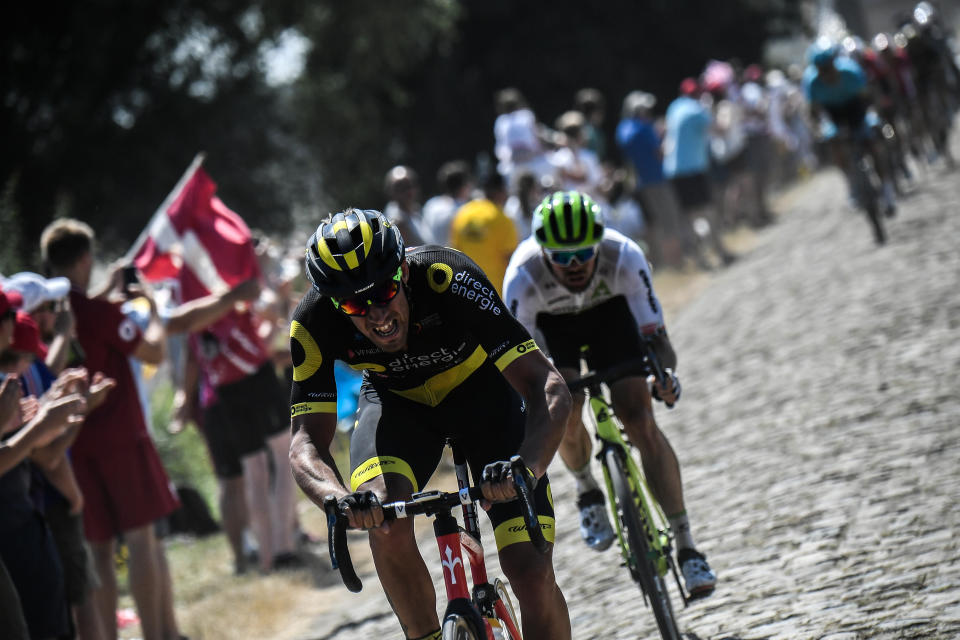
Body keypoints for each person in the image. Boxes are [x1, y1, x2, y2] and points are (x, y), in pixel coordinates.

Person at [289, 208, 572, 640]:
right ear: (332, 303)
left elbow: (547, 386)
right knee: (382, 513)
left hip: (484, 396)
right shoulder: (312, 322)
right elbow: (305, 441)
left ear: (403, 270)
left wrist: (526, 468)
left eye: (384, 291)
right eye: (353, 304)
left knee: (531, 573)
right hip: (397, 405)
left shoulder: (449, 276)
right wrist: (337, 498)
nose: (376, 314)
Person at [502, 191, 717, 599]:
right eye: (562, 257)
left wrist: (664, 375)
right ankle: (587, 489)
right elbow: (519, 365)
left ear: (600, 241)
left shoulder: (625, 257)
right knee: (561, 408)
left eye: (584, 253)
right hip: (554, 330)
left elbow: (659, 341)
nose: (575, 265)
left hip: (611, 320)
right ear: (542, 252)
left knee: (639, 419)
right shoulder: (522, 276)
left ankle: (688, 547)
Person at [40, 218, 183, 640]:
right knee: (141, 540)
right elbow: (153, 347)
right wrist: (154, 309)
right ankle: (158, 635)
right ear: (86, 258)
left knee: (99, 551)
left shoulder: (49, 314)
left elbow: (81, 312)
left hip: (74, 446)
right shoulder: (101, 312)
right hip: (122, 437)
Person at [803, 38, 898, 236]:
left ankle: (887, 189)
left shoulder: (850, 72)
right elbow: (813, 114)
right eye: (820, 69)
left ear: (834, 62)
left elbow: (869, 99)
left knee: (873, 140)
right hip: (834, 115)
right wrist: (818, 130)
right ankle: (851, 182)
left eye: (828, 67)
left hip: (857, 109)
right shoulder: (811, 82)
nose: (825, 72)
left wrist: (875, 116)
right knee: (833, 142)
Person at [664, 78, 736, 266]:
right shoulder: (696, 111)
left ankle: (699, 259)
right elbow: (722, 130)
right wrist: (723, 111)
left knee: (689, 216)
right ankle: (720, 251)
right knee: (707, 211)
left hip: (674, 171)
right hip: (692, 170)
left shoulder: (675, 107)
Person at [449, 171, 518, 295]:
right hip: (496, 296)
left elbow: (454, 252)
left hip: (467, 292)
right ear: (500, 191)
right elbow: (512, 261)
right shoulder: (502, 218)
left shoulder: (463, 213)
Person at [420, 160, 474, 247]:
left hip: (428, 256)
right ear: (464, 186)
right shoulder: (465, 210)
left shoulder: (431, 205)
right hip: (451, 258)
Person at [384, 165, 428, 246]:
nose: (408, 191)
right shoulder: (397, 220)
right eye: (400, 187)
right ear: (390, 191)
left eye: (410, 185)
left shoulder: (416, 210)